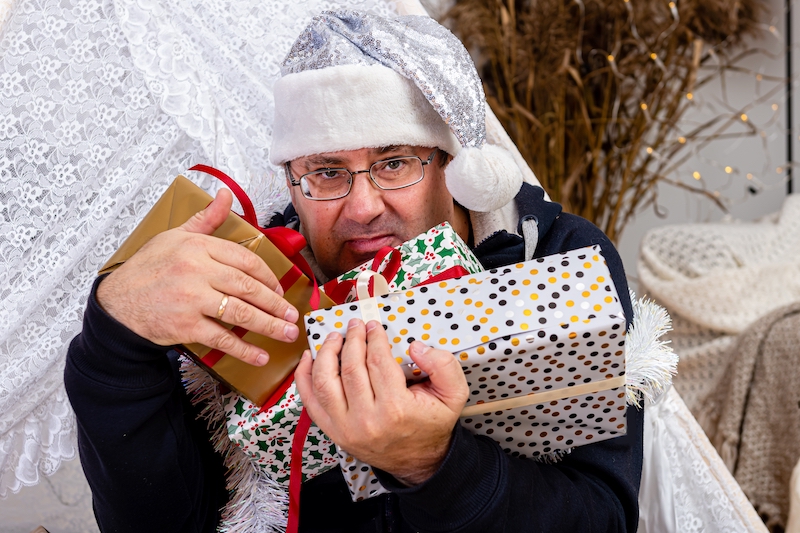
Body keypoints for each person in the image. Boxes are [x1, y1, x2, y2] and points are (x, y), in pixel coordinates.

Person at [65, 10, 643, 533]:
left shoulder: (556, 262)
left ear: (450, 165)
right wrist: (115, 341)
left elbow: (602, 520)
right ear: (292, 175)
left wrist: (432, 465)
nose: (362, 207)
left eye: (394, 163)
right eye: (326, 171)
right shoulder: (247, 286)